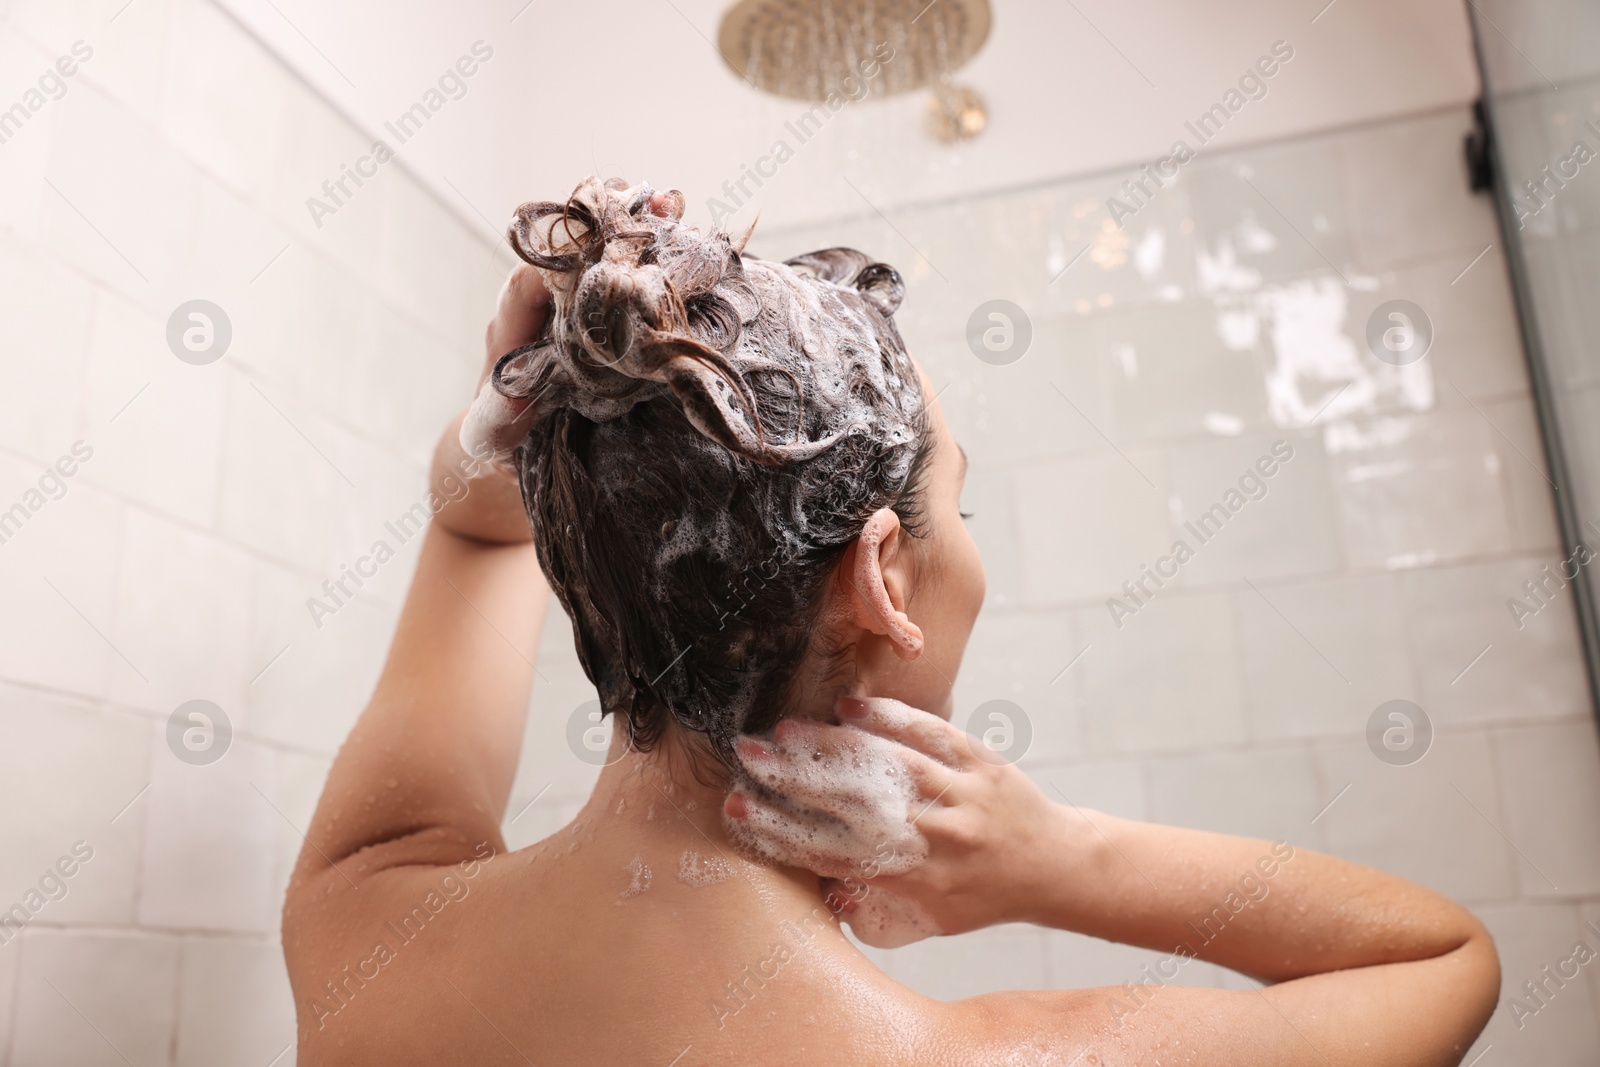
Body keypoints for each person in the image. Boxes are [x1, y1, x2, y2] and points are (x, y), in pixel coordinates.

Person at [282, 179, 1500, 1065]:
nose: (968, 547)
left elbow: (470, 521)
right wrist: (1057, 858)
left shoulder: (365, 918)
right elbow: (1439, 961)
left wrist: (525, 425)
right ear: (882, 578)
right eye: (956, 506)